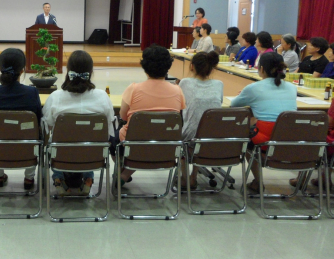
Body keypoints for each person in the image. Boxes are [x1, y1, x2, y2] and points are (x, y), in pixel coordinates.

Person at [42, 50, 114, 196]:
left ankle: (59, 178)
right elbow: (108, 130)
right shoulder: (102, 97)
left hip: (61, 154)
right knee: (91, 140)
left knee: (53, 141)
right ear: (91, 72)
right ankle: (88, 178)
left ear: (68, 70)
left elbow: (46, 127)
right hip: (93, 155)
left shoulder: (56, 97)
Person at [230, 53, 297, 193]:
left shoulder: (253, 88)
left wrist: (244, 95)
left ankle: (258, 181)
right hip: (292, 140)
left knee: (246, 138)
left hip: (266, 140)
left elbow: (234, 104)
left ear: (261, 69)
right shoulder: (292, 88)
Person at [119, 45, 186, 185]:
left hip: (134, 145)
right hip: (166, 146)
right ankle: (125, 174)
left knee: (114, 138)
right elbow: (177, 119)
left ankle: (123, 173)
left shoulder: (133, 89)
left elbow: (123, 117)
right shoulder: (177, 90)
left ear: (144, 65)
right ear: (168, 66)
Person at [0, 48, 42, 190]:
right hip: (26, 150)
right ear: (22, 70)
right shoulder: (32, 93)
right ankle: (29, 178)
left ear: (0, 69)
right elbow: (38, 122)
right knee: (32, 134)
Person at [179, 52, 224, 189]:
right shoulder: (219, 84)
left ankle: (185, 178)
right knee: (203, 126)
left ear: (192, 66)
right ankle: (194, 176)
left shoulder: (185, 82)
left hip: (191, 137)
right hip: (215, 138)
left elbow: (180, 105)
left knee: (190, 128)